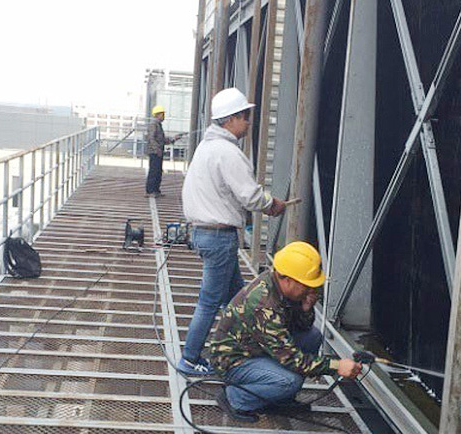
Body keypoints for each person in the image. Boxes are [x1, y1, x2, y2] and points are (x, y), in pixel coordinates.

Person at [178, 87, 287, 375]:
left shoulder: (206, 147)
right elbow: (250, 196)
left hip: (204, 233)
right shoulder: (228, 153)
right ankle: (189, 359)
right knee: (210, 301)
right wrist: (272, 205)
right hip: (219, 237)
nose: (248, 122)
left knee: (238, 298)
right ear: (230, 119)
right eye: (244, 117)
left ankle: (244, 348)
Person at [209, 241, 363, 422]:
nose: (311, 289)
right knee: (290, 381)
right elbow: (292, 359)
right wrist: (336, 366)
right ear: (288, 279)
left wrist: (306, 309)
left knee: (313, 337)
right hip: (234, 362)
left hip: (258, 348)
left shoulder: (281, 286)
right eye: (306, 285)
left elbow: (301, 329)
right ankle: (236, 398)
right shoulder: (264, 305)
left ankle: (279, 396)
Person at [145, 105, 176, 197]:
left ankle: (156, 190)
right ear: (158, 114)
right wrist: (156, 149)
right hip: (154, 152)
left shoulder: (158, 125)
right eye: (162, 114)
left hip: (158, 152)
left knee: (158, 172)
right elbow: (151, 138)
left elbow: (161, 139)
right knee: (154, 171)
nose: (163, 116)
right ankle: (150, 191)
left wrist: (172, 139)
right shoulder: (153, 124)